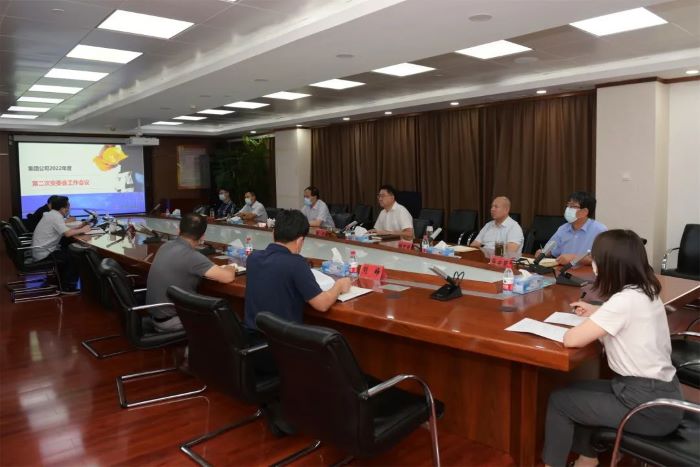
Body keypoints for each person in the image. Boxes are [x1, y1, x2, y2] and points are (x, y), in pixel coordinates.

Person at [542, 230, 683, 467]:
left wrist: (596, 317)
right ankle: (588, 460)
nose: (593, 264)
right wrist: (598, 313)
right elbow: (628, 320)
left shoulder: (623, 301)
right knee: (576, 390)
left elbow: (572, 339)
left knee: (560, 402)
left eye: (596, 259)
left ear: (608, 265)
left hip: (646, 407)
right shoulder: (645, 290)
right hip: (661, 394)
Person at [244, 209, 351, 334]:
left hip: (250, 335)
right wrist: (339, 286)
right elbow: (322, 304)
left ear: (273, 234)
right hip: (281, 341)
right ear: (300, 241)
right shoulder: (296, 263)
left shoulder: (253, 258)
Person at [146, 213, 236, 332]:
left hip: (155, 315)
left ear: (178, 231)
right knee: (226, 319)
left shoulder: (165, 246)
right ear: (202, 237)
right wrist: (231, 267)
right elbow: (228, 277)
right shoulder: (192, 256)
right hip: (172, 321)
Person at [31, 196, 91, 293]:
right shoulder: (55, 217)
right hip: (44, 253)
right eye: (68, 207)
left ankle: (59, 281)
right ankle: (68, 286)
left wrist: (78, 228)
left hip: (41, 250)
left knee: (68, 250)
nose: (68, 209)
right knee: (75, 255)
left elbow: (63, 229)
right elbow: (67, 234)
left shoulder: (51, 214)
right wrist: (83, 229)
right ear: (63, 208)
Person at [541, 191, 607, 265]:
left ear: (585, 211)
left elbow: (603, 259)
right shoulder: (563, 229)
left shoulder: (600, 230)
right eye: (568, 205)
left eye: (573, 206)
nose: (568, 209)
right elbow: (552, 250)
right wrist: (543, 253)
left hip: (586, 271)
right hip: (563, 270)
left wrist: (575, 258)